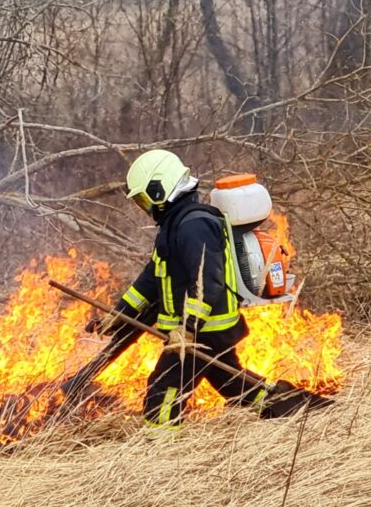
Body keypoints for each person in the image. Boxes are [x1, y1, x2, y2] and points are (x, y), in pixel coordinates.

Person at [89, 149, 270, 430]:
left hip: (202, 332)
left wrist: (187, 329)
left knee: (162, 392)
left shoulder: (193, 226)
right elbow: (152, 277)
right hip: (208, 331)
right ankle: (287, 406)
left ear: (159, 189)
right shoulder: (176, 223)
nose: (143, 206)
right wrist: (119, 313)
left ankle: (160, 447)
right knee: (233, 383)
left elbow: (206, 281)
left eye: (143, 198)